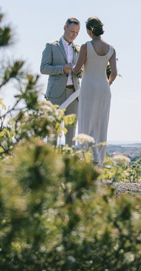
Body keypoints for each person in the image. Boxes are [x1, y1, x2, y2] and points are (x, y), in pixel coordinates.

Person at [72, 17, 117, 165]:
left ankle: (87, 160)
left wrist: (69, 68)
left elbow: (77, 69)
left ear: (90, 30)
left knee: (86, 122)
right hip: (104, 87)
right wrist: (107, 84)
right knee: (101, 124)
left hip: (89, 86)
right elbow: (114, 73)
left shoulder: (86, 46)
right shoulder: (111, 48)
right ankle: (100, 162)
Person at [41, 17, 81, 145]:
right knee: (52, 133)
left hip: (74, 95)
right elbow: (43, 68)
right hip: (55, 95)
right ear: (65, 28)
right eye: (72, 31)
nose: (74, 35)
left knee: (71, 135)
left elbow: (80, 73)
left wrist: (80, 71)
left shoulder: (79, 49)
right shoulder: (51, 46)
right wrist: (62, 69)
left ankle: (68, 163)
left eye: (77, 32)